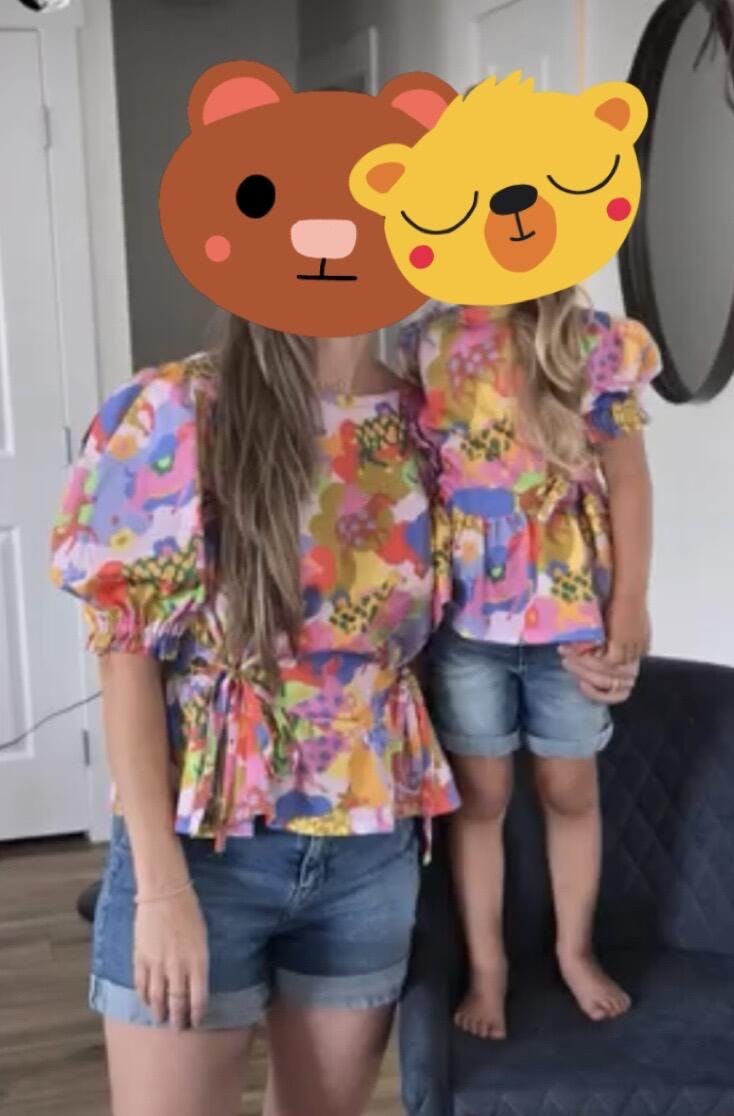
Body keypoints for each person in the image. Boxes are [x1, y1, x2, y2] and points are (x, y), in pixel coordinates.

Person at [50, 319, 460, 1116]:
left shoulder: (429, 422)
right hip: (203, 853)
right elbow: (125, 654)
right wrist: (160, 890)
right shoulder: (180, 408)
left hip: (370, 852)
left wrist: (602, 639)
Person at [401, 292, 661, 1040]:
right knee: (480, 798)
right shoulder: (427, 343)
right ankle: (489, 968)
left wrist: (630, 604)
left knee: (569, 789)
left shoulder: (591, 342)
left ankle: (574, 950)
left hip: (569, 616)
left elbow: (629, 480)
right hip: (467, 620)